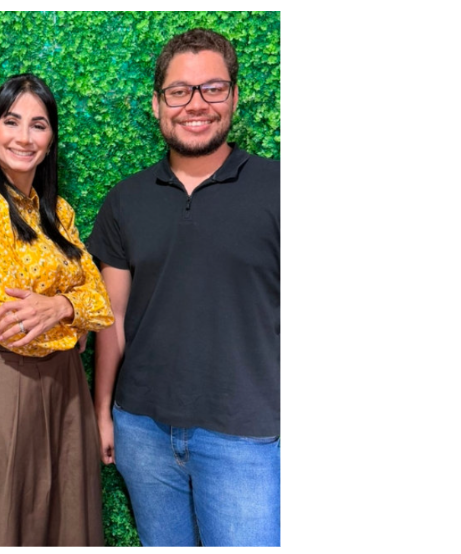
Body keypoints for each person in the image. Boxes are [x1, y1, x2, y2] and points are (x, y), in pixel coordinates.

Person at [86, 28, 280, 547]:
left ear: (234, 96)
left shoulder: (280, 187)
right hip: (141, 432)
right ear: (157, 104)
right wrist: (103, 413)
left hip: (247, 438)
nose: (196, 104)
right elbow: (111, 318)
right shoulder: (125, 200)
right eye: (179, 91)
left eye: (212, 88)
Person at [0, 73, 114, 546]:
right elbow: (14, 327)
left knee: (66, 523)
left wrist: (59, 306)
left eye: (38, 125)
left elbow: (102, 305)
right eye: (11, 121)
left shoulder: (59, 212)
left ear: (51, 139)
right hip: (8, 382)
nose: (24, 136)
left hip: (68, 389)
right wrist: (75, 320)